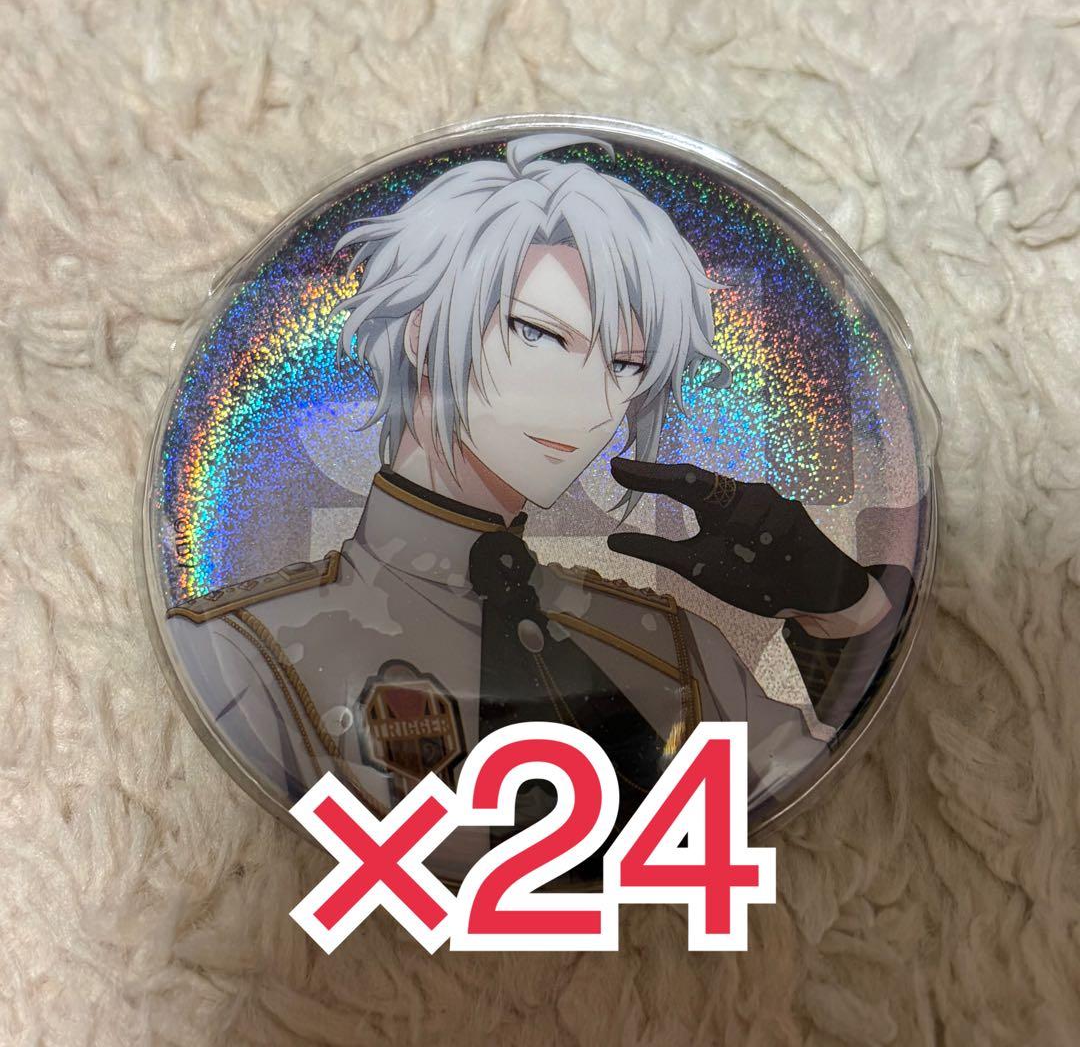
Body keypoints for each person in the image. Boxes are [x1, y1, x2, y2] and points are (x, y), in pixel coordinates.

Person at [166, 134, 911, 879]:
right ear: (422, 330)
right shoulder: (243, 652)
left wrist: (842, 607)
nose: (593, 402)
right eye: (540, 334)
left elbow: (838, 821)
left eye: (626, 365)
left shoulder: (670, 644)